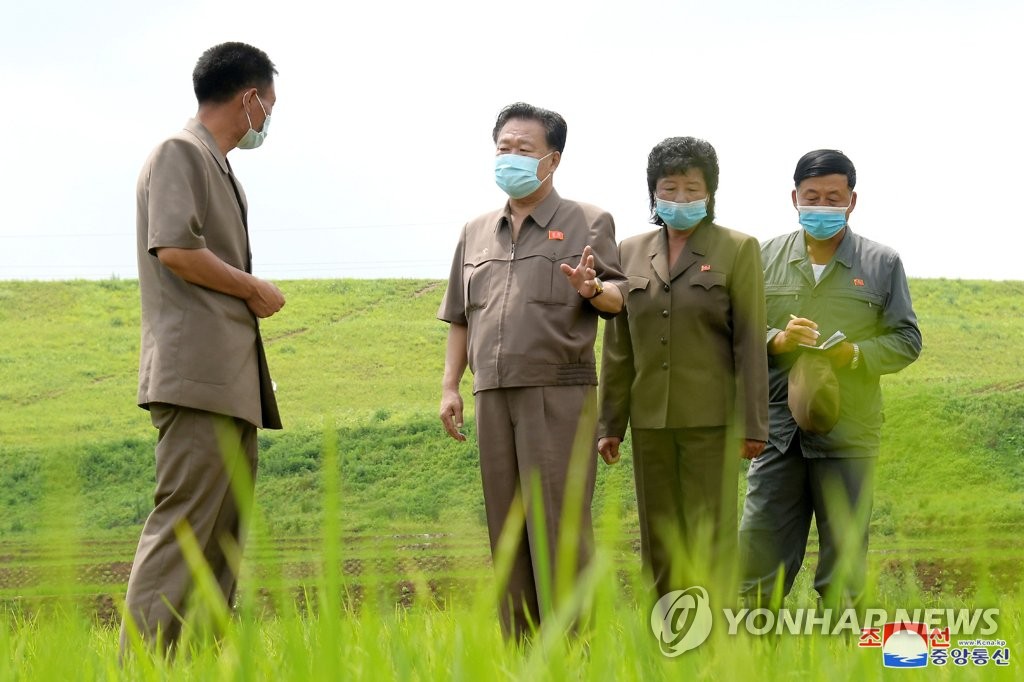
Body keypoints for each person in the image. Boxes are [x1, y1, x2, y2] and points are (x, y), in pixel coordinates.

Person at [437, 102, 626, 640]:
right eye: (503, 148)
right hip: (492, 393)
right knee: (507, 526)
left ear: (553, 159)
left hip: (557, 393)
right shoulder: (475, 231)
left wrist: (592, 290)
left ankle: (577, 649)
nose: (511, 158)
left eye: (524, 150)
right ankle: (522, 651)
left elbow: (619, 298)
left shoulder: (589, 221)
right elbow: (459, 316)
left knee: (559, 524)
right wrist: (451, 386)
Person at [121, 42, 285, 653]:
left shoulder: (218, 167)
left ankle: (194, 662)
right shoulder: (179, 153)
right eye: (268, 105)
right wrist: (253, 288)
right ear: (248, 98)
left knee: (221, 537)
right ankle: (140, 664)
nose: (268, 118)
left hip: (230, 382)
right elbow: (178, 250)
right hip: (197, 377)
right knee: (184, 529)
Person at [739, 149, 922, 610]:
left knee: (844, 572)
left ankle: (841, 664)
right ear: (794, 198)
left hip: (849, 437)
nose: (822, 206)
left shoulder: (882, 263)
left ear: (852, 201)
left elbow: (907, 339)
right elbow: (734, 328)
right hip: (778, 434)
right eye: (812, 197)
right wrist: (776, 339)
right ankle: (755, 663)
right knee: (758, 565)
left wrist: (855, 354)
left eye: (832, 197)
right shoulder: (762, 257)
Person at [597, 137, 768, 603]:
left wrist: (752, 423)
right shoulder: (628, 252)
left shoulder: (738, 248)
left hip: (713, 422)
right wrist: (610, 423)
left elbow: (750, 341)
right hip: (650, 420)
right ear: (652, 193)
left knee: (710, 537)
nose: (680, 198)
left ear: (710, 192)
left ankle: (716, 647)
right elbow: (618, 345)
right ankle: (665, 639)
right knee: (659, 538)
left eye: (692, 188)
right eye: (669, 188)